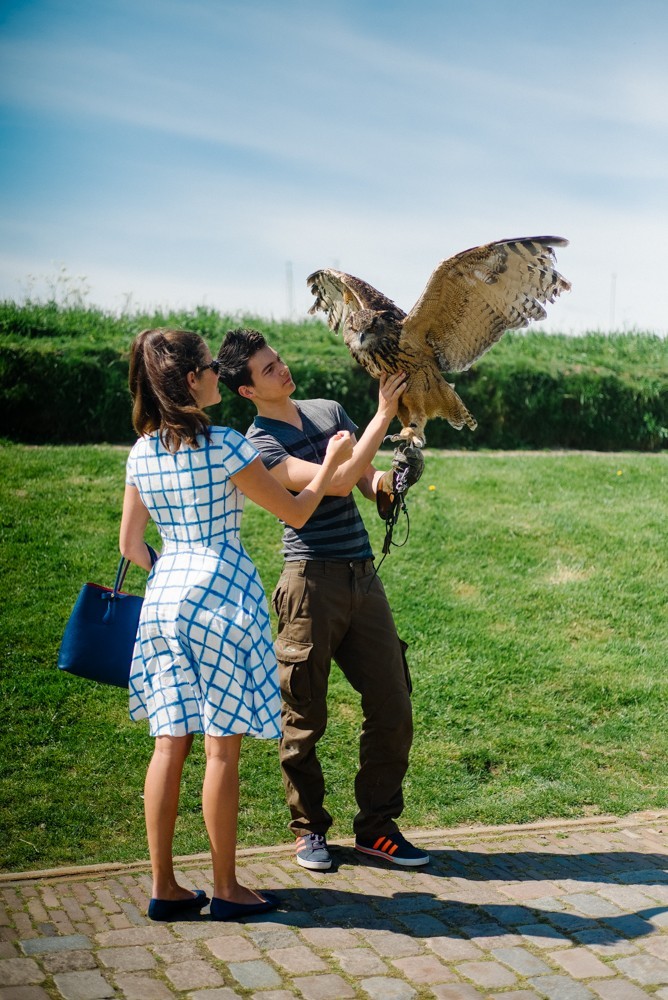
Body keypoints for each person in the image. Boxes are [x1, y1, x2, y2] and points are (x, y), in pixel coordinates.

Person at [119, 327, 353, 921]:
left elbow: (130, 544)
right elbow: (297, 511)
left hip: (164, 598)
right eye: (208, 367)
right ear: (190, 381)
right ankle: (225, 887)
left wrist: (174, 567)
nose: (217, 374)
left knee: (169, 744)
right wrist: (328, 464)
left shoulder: (142, 450)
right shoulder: (224, 444)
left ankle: (165, 888)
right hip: (220, 597)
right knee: (221, 751)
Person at [217, 327, 429, 871]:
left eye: (278, 360)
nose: (282, 370)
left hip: (362, 575)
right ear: (247, 391)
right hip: (309, 583)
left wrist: (389, 479)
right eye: (268, 370)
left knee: (392, 701)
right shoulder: (256, 444)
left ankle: (377, 829)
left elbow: (360, 480)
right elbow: (330, 483)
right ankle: (308, 829)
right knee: (304, 715)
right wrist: (383, 415)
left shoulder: (328, 409)